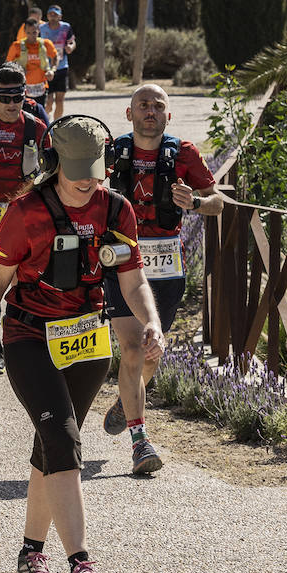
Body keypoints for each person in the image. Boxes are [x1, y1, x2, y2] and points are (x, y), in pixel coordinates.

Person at [0, 116, 163, 573]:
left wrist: (151, 322)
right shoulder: (24, 213)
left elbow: (133, 281)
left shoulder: (118, 208)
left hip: (87, 340)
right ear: (53, 164)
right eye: (75, 171)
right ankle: (81, 565)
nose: (86, 180)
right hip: (29, 336)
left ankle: (30, 557)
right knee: (63, 439)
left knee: (51, 447)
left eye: (93, 169)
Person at [102, 82, 222, 473]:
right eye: (142, 105)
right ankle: (140, 442)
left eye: (157, 106)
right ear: (129, 113)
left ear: (168, 115)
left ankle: (128, 396)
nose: (149, 111)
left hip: (167, 269)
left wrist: (198, 202)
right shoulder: (112, 152)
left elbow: (218, 201)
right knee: (134, 349)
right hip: (122, 263)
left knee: (151, 352)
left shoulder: (183, 153)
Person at [0, 64, 47, 375]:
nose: (12, 104)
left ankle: (22, 343)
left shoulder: (37, 128)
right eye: (5, 98)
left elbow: (50, 172)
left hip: (22, 214)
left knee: (23, 282)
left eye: (17, 97)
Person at [7, 17, 58, 104]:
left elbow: (55, 57)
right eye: (28, 33)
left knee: (41, 113)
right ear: (25, 32)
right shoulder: (17, 46)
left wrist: (52, 70)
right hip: (23, 87)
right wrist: (17, 71)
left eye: (34, 32)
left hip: (41, 87)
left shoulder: (46, 44)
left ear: (38, 30)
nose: (31, 36)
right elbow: (7, 64)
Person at [40, 6, 76, 121]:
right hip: (46, 68)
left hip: (62, 66)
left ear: (60, 16)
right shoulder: (41, 28)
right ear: (47, 16)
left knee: (60, 100)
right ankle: (45, 121)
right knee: (49, 101)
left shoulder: (66, 27)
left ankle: (56, 124)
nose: (53, 16)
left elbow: (72, 41)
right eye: (51, 14)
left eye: (55, 14)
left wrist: (70, 47)